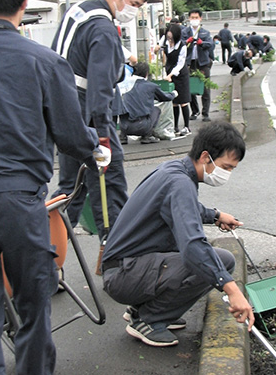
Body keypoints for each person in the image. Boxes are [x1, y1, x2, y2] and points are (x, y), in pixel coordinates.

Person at [0, 0, 110, 375]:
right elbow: (73, 138)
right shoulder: (44, 62)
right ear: (25, 0)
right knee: (33, 302)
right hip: (20, 202)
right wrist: (96, 145)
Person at [102, 122, 255, 347]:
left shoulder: (174, 170)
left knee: (208, 258)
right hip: (124, 274)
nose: (227, 174)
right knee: (217, 261)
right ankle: (149, 319)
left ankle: (147, 308)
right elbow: (193, 246)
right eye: (226, 166)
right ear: (205, 156)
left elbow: (185, 208)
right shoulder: (180, 183)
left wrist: (215, 215)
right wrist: (232, 289)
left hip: (125, 266)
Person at [51, 0, 150, 241]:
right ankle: (117, 251)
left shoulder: (79, 10)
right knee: (110, 174)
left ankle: (44, 254)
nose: (135, 11)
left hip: (62, 107)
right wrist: (104, 137)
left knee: (70, 187)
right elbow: (100, 90)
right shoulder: (104, 29)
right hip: (85, 112)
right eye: (134, 3)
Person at [116, 62, 178, 144]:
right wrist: (174, 93)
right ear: (146, 74)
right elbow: (165, 97)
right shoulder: (150, 86)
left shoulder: (124, 84)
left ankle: (123, 137)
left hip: (124, 126)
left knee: (127, 108)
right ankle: (147, 136)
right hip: (141, 126)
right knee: (156, 110)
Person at [182, 9, 213, 122]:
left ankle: (206, 113)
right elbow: (179, 43)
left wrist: (202, 43)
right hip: (189, 63)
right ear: (189, 18)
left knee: (205, 87)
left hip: (202, 62)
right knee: (190, 87)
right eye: (192, 17)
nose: (194, 20)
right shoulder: (185, 32)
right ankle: (194, 111)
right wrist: (187, 42)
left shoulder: (205, 32)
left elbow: (210, 44)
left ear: (200, 18)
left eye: (196, 17)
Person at [163, 24, 191, 136]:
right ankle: (175, 127)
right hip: (169, 72)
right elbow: (160, 47)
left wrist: (171, 74)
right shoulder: (166, 42)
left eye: (171, 37)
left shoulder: (182, 46)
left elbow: (180, 64)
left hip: (180, 75)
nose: (169, 39)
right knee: (174, 102)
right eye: (168, 37)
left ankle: (187, 127)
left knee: (183, 101)